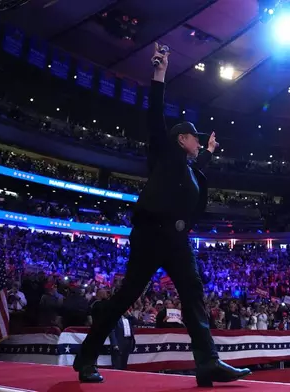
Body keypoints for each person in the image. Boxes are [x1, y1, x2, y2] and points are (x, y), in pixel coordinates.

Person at [72, 43, 251, 387]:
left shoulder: (189, 169)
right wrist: (159, 74)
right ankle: (87, 355)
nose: (199, 143)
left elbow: (196, 172)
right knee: (127, 296)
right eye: (195, 139)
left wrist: (209, 152)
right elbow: (155, 117)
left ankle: (208, 363)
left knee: (193, 292)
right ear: (180, 139)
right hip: (152, 234)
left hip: (177, 238)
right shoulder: (166, 155)